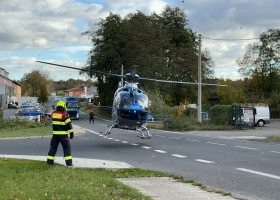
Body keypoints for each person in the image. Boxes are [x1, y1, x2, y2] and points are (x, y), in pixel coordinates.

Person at [47, 101, 74, 167]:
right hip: (63, 136)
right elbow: (69, 125)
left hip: (55, 135)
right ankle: (69, 164)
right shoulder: (65, 115)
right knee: (66, 148)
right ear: (64, 107)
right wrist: (71, 133)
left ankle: (49, 163)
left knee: (53, 148)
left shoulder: (53, 114)